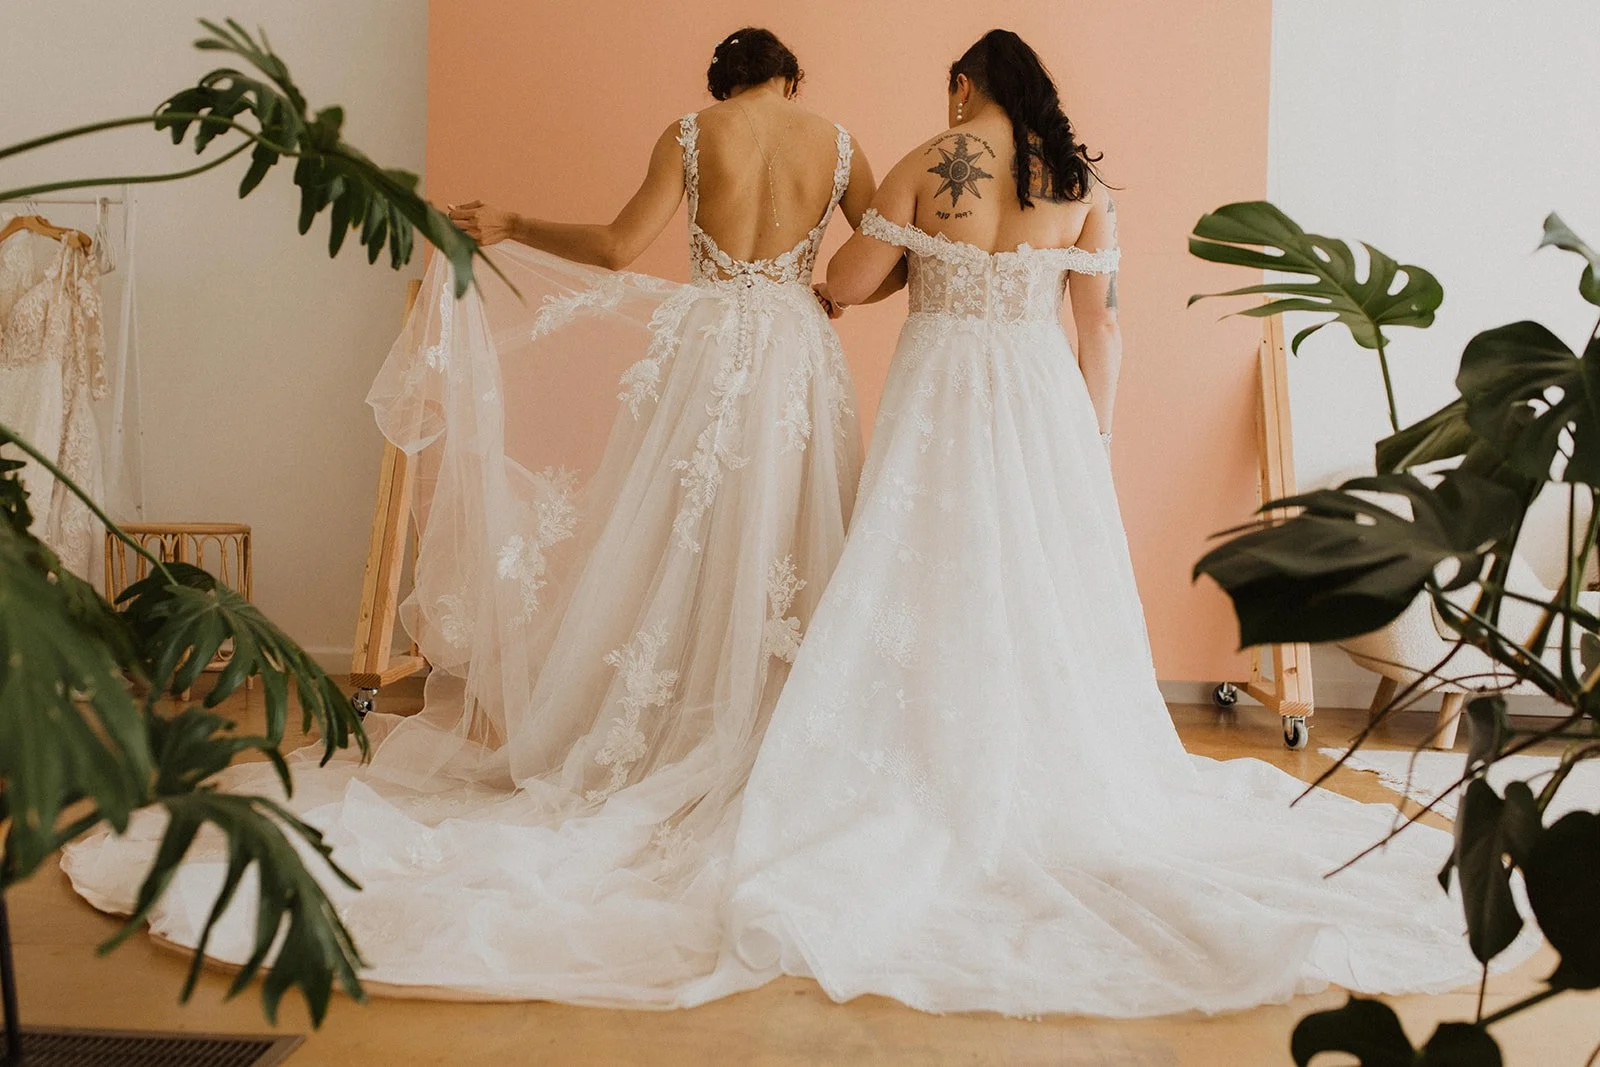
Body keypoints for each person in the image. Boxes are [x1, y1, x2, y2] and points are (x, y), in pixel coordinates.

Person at [716, 29, 1533, 1017]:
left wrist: (877, 276)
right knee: (1039, 589)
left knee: (924, 574)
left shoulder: (923, 166)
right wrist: (1094, 428)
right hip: (1040, 402)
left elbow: (846, 280)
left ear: (961, 85)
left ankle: (924, 759)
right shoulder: (1075, 181)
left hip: (939, 401)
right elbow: (1102, 322)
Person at [64, 28, 880, 1007]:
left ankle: (676, 731)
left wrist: (513, 224)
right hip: (795, 353)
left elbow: (620, 249)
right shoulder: (835, 142)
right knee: (791, 543)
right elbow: (886, 254)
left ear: (723, 80)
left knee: (684, 543)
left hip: (710, 352)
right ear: (791, 77)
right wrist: (830, 292)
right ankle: (768, 738)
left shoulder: (693, 133)